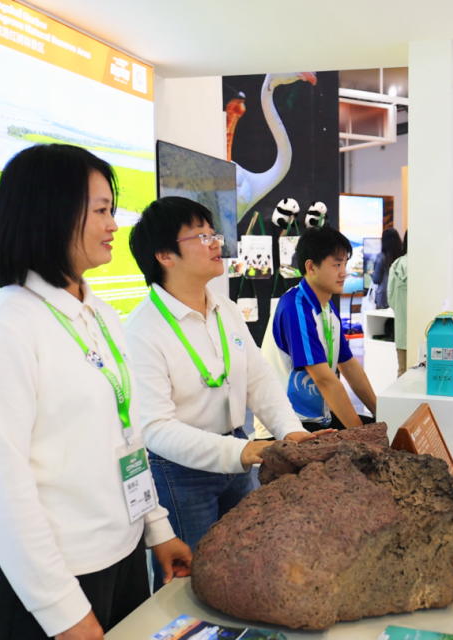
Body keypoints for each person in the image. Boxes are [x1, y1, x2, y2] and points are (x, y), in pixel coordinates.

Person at [0, 145, 192, 640]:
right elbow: (3, 489)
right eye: (102, 210)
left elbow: (126, 438)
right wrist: (63, 610)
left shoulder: (101, 315)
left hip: (120, 561)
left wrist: (157, 528)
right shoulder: (6, 324)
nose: (114, 225)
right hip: (40, 587)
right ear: (52, 213)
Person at [124, 197, 318, 587]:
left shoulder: (225, 309)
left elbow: (258, 379)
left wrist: (290, 431)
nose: (216, 243)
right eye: (201, 236)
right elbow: (156, 429)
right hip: (180, 473)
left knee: (243, 570)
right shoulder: (142, 329)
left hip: (238, 458)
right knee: (192, 584)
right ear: (165, 255)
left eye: (213, 233)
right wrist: (241, 452)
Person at [264, 226, 378, 430]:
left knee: (384, 429)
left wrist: (381, 413)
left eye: (345, 264)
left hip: (318, 418)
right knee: (371, 439)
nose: (344, 273)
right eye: (337, 264)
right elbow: (324, 380)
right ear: (311, 267)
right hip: (289, 426)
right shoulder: (295, 308)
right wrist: (361, 434)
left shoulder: (328, 307)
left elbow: (349, 366)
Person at [388, 232, 409, 377]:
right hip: (427, 333)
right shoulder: (427, 267)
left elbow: (390, 298)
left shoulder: (397, 265)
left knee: (403, 371)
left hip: (402, 330)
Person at [371, 228, 403, 309]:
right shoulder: (402, 256)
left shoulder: (381, 257)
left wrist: (372, 274)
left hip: (384, 298)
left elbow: (376, 279)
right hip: (399, 296)